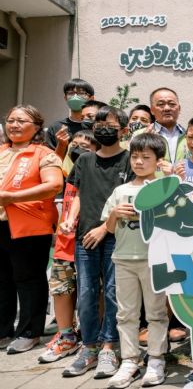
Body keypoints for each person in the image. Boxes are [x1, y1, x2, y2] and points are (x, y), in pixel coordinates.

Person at [61, 106, 135, 377]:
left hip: (120, 238)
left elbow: (131, 200)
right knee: (86, 294)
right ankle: (88, 347)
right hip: (85, 237)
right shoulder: (84, 160)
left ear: (123, 131)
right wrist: (70, 218)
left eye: (110, 125)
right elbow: (78, 194)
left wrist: (105, 228)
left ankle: (108, 348)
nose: (103, 128)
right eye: (99, 123)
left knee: (115, 293)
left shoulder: (130, 160)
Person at [102, 133, 169, 388]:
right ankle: (129, 360)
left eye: (146, 157)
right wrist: (115, 215)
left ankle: (156, 359)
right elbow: (109, 229)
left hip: (154, 259)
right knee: (126, 313)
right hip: (123, 259)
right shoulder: (121, 190)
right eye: (135, 157)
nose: (139, 162)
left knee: (156, 312)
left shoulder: (165, 188)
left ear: (158, 160)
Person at [0, 105, 63, 353]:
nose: (14, 125)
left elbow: (53, 185)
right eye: (10, 120)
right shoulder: (1, 151)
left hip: (29, 227)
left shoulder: (44, 154)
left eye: (21, 121)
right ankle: (3, 331)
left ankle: (29, 331)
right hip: (1, 225)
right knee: (2, 280)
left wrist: (11, 197)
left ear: (36, 127)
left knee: (28, 279)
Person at [39, 130, 100, 364]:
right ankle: (66, 336)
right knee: (61, 289)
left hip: (90, 242)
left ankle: (93, 337)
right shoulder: (66, 173)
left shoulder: (97, 173)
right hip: (64, 244)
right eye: (76, 144)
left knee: (95, 291)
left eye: (87, 146)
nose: (80, 149)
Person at [46, 78, 96, 159]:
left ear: (91, 98)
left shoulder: (97, 126)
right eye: (71, 93)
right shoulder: (56, 127)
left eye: (81, 93)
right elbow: (50, 160)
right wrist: (61, 145)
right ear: (65, 98)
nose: (75, 97)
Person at [148, 87, 187, 164]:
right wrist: (144, 140)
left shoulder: (189, 136)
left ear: (179, 109)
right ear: (152, 110)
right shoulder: (140, 135)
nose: (167, 108)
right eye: (161, 104)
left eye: (172, 104)